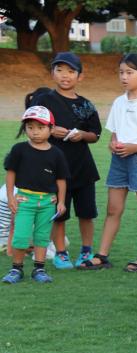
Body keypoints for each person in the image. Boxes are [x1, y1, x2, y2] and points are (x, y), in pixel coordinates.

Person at [78, 53, 137, 271]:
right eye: (121, 72)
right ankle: (102, 256)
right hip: (119, 160)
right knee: (113, 209)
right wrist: (114, 143)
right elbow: (114, 135)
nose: (124, 77)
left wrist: (133, 148)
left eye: (130, 72)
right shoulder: (119, 102)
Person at [30, 52, 101, 270]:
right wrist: (51, 130)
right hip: (54, 169)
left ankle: (86, 251)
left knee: (87, 213)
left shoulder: (86, 105)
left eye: (71, 71)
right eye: (59, 70)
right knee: (59, 214)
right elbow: (31, 125)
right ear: (52, 73)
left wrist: (81, 134)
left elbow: (96, 135)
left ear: (80, 76)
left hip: (83, 168)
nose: (65, 75)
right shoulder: (43, 100)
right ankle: (61, 253)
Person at [2, 106, 67, 283]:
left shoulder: (56, 154)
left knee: (42, 236)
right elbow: (11, 173)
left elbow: (61, 180)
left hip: (47, 202)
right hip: (24, 200)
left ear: (51, 129)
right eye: (30, 127)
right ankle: (16, 269)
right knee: (21, 236)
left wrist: (61, 202)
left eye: (40, 127)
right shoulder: (19, 149)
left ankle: (39, 269)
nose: (35, 132)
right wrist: (11, 197)